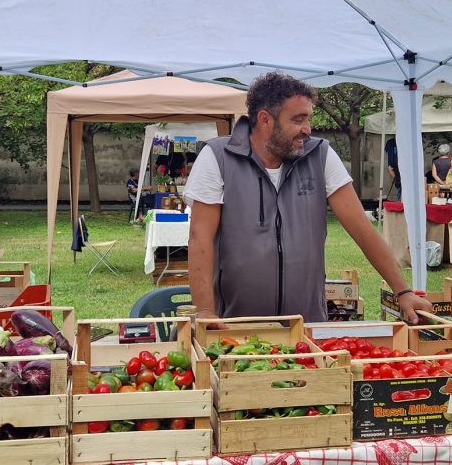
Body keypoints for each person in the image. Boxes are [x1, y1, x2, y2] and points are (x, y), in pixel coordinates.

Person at [183, 72, 432, 324]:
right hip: (235, 328)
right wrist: (205, 311)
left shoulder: (320, 155)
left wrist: (403, 291)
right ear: (265, 119)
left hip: (307, 327)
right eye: (298, 119)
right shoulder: (218, 157)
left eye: (308, 118)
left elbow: (362, 229)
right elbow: (199, 239)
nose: (307, 129)